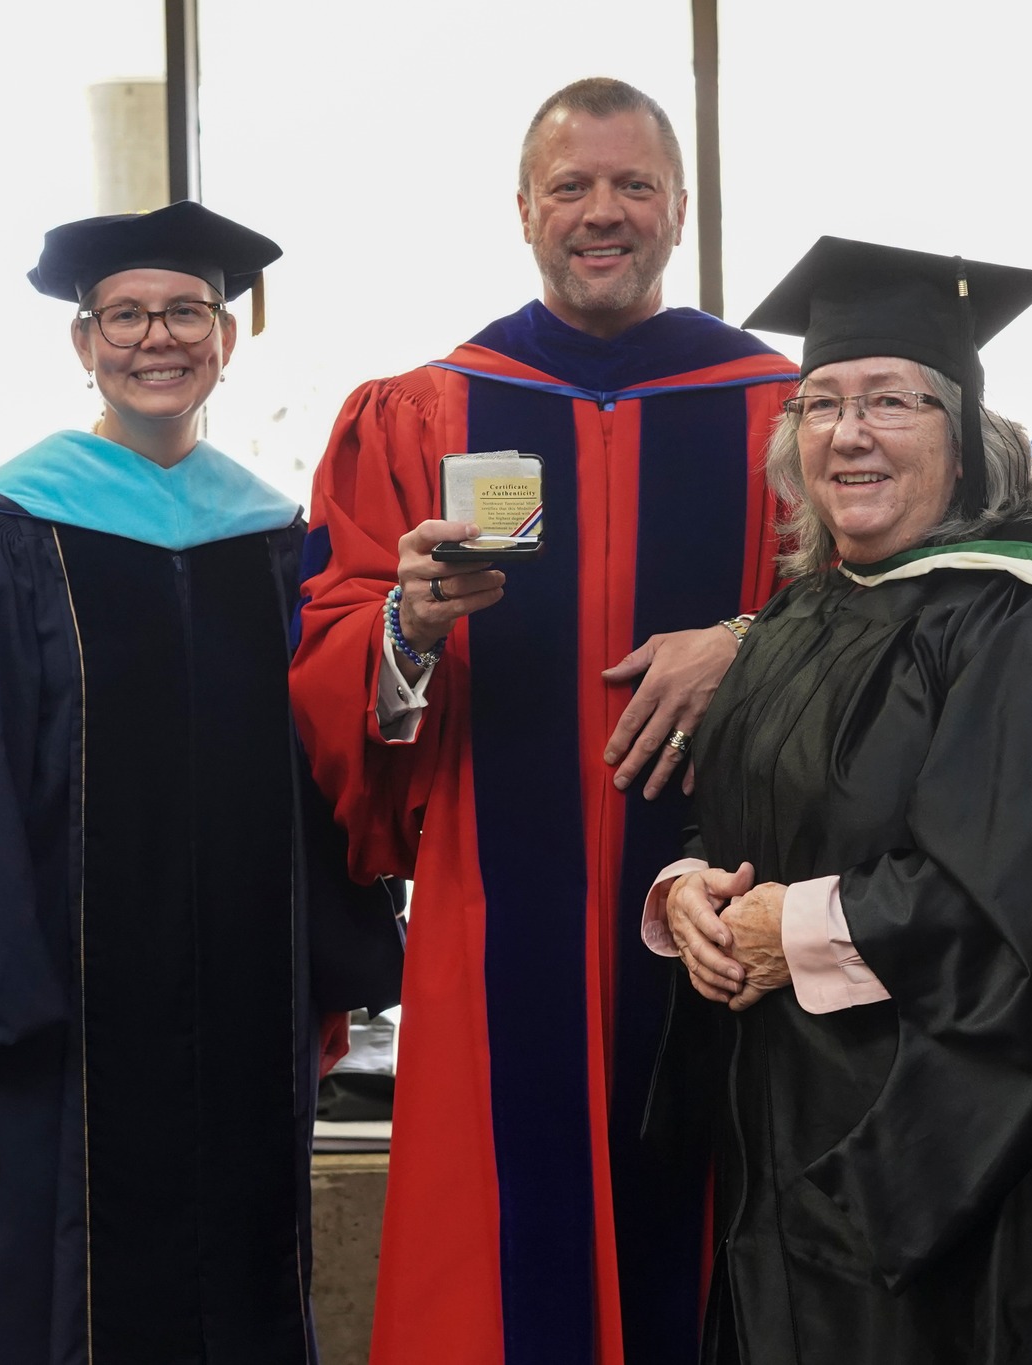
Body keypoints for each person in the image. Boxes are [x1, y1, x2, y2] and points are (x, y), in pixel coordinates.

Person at [645, 236, 1032, 1363]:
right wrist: (690, 890)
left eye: (893, 400)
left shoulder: (1025, 621)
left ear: (968, 438)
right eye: (819, 404)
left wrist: (788, 928)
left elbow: (1029, 899)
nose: (849, 431)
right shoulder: (798, 615)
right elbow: (745, 815)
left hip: (968, 1161)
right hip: (788, 1126)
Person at [0, 200, 403, 1364]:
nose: (155, 339)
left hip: (237, 1014)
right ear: (84, 344)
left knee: (238, 1276)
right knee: (27, 1295)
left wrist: (318, 974)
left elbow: (317, 767)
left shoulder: (275, 541)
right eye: (125, 315)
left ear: (226, 339)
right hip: (41, 1033)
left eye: (186, 312)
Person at [288, 78, 801, 1364]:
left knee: (722, 1221)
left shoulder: (783, 412)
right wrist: (405, 623)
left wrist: (745, 642)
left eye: (633, 185)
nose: (602, 212)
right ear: (522, 209)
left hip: (728, 895)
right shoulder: (424, 409)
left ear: (680, 209)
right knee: (505, 1252)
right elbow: (327, 646)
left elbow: (874, 611)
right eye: (571, 186)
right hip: (493, 903)